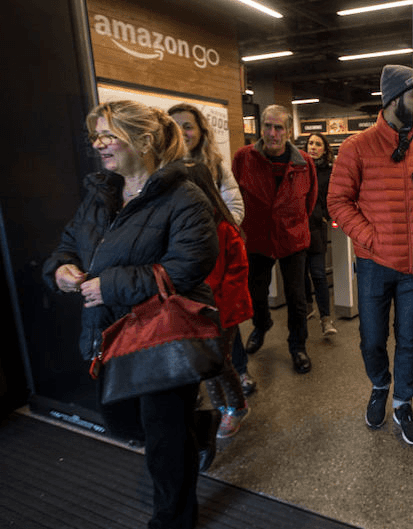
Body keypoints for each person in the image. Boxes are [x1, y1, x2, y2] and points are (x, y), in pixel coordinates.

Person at [43, 100, 220, 528]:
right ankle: (199, 424)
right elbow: (70, 242)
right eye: (96, 135)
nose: (98, 144)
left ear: (143, 140)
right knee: (124, 420)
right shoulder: (101, 193)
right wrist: (60, 268)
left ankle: (173, 518)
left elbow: (189, 265)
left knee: (163, 441)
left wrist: (110, 285)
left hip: (161, 335)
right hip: (109, 329)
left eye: (108, 135)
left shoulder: (186, 196)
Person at [328, 64, 413, 446]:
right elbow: (337, 201)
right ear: (396, 98)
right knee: (371, 339)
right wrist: (372, 237)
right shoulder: (357, 146)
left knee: (410, 340)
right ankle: (380, 385)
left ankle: (402, 403)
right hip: (373, 263)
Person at [167, 103, 256, 396]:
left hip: (215, 255)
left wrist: (215, 235)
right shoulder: (161, 167)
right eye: (176, 126)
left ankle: (237, 375)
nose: (183, 132)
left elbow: (235, 207)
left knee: (225, 326)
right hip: (182, 262)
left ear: (200, 131)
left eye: (188, 126)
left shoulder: (214, 164)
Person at [232, 104, 317, 374]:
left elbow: (310, 200)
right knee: (255, 292)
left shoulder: (304, 162)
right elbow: (234, 195)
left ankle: (297, 346)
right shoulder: (244, 158)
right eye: (267, 126)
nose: (272, 133)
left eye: (278, 127)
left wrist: (293, 222)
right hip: (257, 238)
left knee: (296, 296)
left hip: (292, 238)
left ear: (288, 131)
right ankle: (261, 324)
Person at [185, 165, 253, 439]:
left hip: (222, 311)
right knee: (206, 364)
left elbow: (237, 274)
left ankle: (236, 407)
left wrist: (218, 309)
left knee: (219, 362)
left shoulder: (225, 228)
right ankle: (220, 407)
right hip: (199, 310)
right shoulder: (188, 227)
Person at [303, 132, 338, 336]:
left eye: (317, 144)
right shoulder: (299, 167)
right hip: (298, 228)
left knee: (317, 273)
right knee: (300, 274)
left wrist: (325, 215)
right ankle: (308, 306)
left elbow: (332, 196)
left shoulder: (329, 171)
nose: (313, 147)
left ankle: (326, 319)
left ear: (325, 149)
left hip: (316, 228)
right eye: (310, 143)